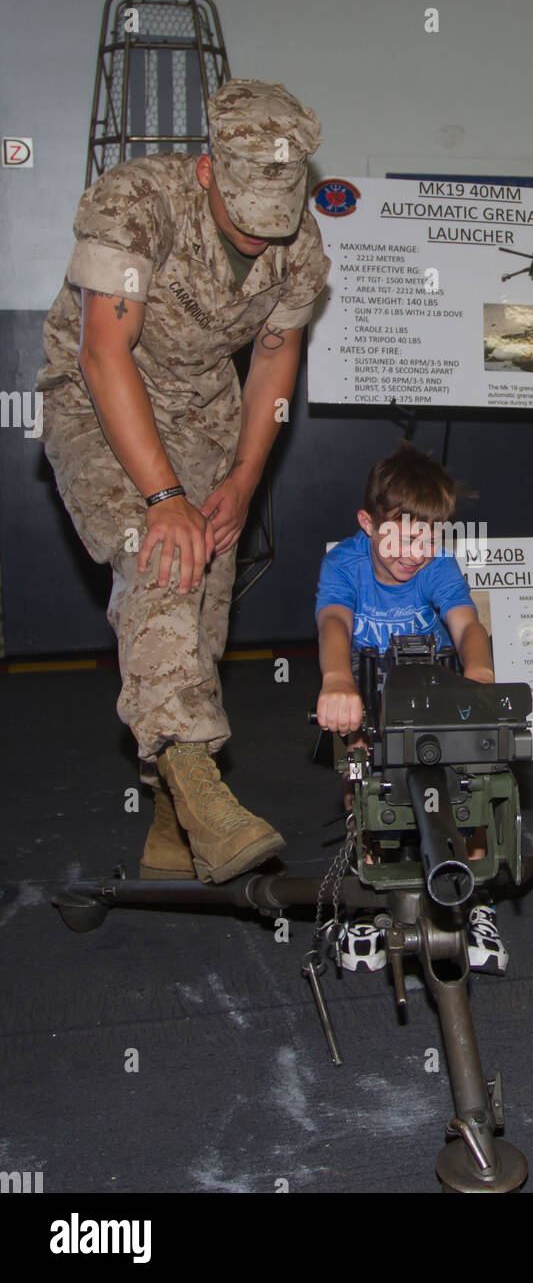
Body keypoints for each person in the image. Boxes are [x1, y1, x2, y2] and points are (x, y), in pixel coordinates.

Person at [37, 80, 331, 884]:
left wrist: (241, 480)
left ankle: (171, 822)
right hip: (98, 398)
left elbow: (275, 360)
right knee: (158, 559)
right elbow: (104, 351)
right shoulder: (137, 201)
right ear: (208, 171)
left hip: (205, 413)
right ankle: (204, 793)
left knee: (201, 612)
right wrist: (165, 500)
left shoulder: (299, 243)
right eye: (244, 219)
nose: (262, 236)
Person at [315, 441, 508, 974]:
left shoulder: (438, 566)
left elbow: (467, 624)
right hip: (366, 702)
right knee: (361, 785)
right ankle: (366, 897)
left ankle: (475, 900)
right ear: (366, 523)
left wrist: (481, 676)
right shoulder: (344, 564)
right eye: (398, 533)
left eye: (425, 535)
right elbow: (333, 622)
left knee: (470, 786)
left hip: (431, 698)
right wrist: (336, 679)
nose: (412, 551)